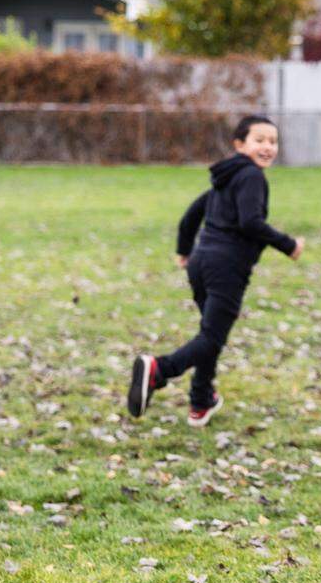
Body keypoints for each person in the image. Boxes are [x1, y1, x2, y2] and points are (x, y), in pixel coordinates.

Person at [126, 115, 303, 427]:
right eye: (259, 140)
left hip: (201, 262)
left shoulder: (225, 178)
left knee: (210, 332)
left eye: (273, 141)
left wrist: (184, 251)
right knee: (212, 336)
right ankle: (159, 370)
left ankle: (201, 398)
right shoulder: (251, 177)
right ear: (239, 144)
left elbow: (192, 215)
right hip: (227, 266)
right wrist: (288, 245)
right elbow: (250, 222)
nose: (267, 147)